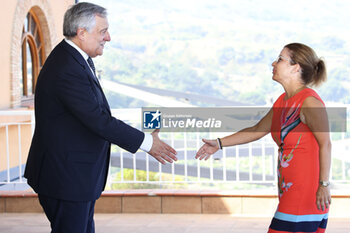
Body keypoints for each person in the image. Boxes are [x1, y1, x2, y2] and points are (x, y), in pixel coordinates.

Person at [24, 2, 177, 233]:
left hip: (73, 178)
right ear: (81, 33)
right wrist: (147, 143)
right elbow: (98, 119)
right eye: (103, 31)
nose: (109, 38)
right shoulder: (67, 67)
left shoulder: (75, 59)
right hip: (66, 179)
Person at [196, 43, 331, 233]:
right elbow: (258, 129)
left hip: (307, 193)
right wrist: (218, 144)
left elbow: (325, 144)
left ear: (295, 67)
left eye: (280, 59)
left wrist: (324, 185)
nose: (273, 63)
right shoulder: (283, 101)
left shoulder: (309, 102)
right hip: (290, 190)